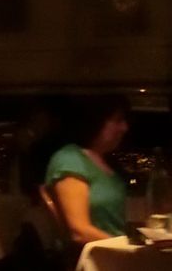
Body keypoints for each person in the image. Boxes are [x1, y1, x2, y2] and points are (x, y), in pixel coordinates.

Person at [44, 96, 131, 242]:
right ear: (96, 120)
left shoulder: (107, 163)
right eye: (117, 120)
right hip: (98, 254)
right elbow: (79, 231)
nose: (124, 128)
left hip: (114, 249)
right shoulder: (70, 159)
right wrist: (126, 248)